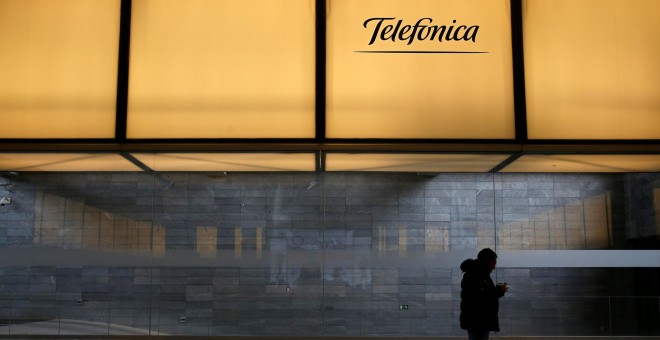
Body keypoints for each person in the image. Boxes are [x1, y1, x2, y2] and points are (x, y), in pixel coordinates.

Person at [460, 248, 508, 340]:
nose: (494, 267)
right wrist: (498, 290)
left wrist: (497, 290)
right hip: (477, 321)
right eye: (493, 263)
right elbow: (480, 299)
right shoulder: (475, 275)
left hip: (480, 321)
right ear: (486, 261)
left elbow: (484, 294)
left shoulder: (480, 274)